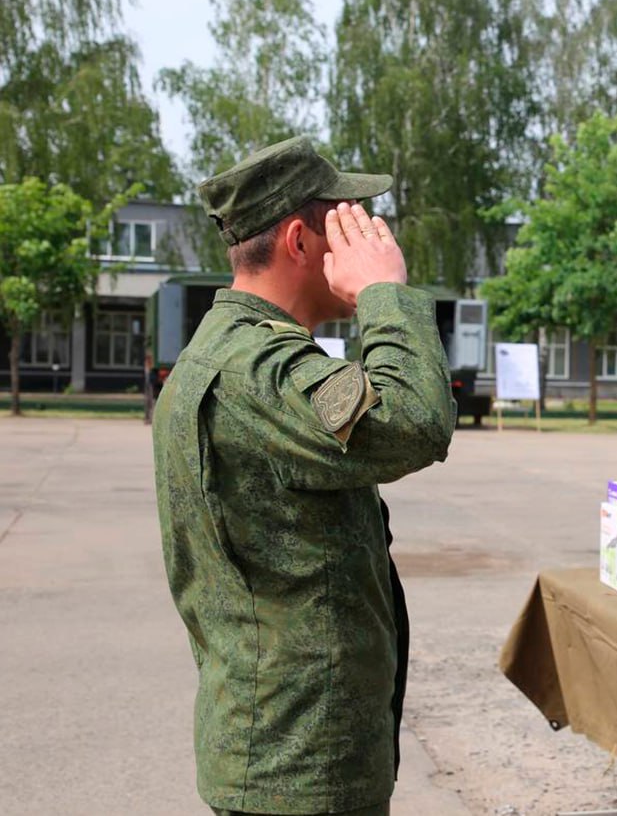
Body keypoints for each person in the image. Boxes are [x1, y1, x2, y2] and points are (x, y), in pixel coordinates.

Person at [153, 136, 456, 816]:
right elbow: (415, 420)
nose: (369, 236)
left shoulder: (230, 354)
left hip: (280, 754)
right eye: (347, 223)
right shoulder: (258, 371)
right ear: (299, 239)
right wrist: (383, 291)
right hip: (300, 772)